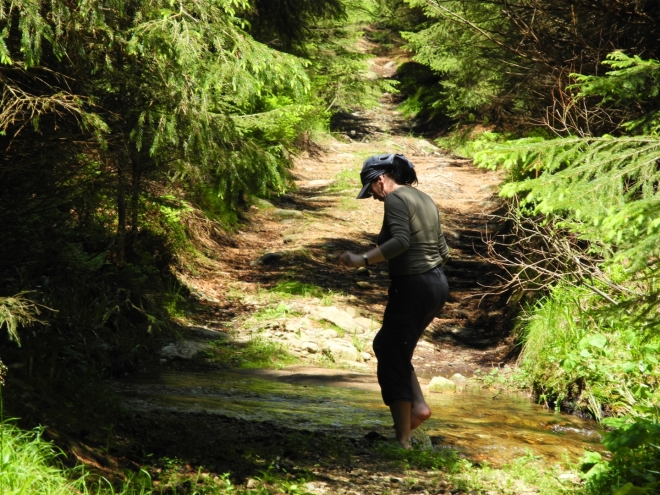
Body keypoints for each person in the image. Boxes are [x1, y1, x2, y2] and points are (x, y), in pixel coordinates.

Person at [339, 153, 449, 448]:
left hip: (414, 285)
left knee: (392, 354)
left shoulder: (395, 199)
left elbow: (401, 242)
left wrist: (361, 260)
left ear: (380, 180)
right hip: (437, 285)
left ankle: (403, 439)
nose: (373, 198)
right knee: (390, 346)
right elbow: (442, 248)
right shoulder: (423, 198)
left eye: (370, 190)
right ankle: (418, 407)